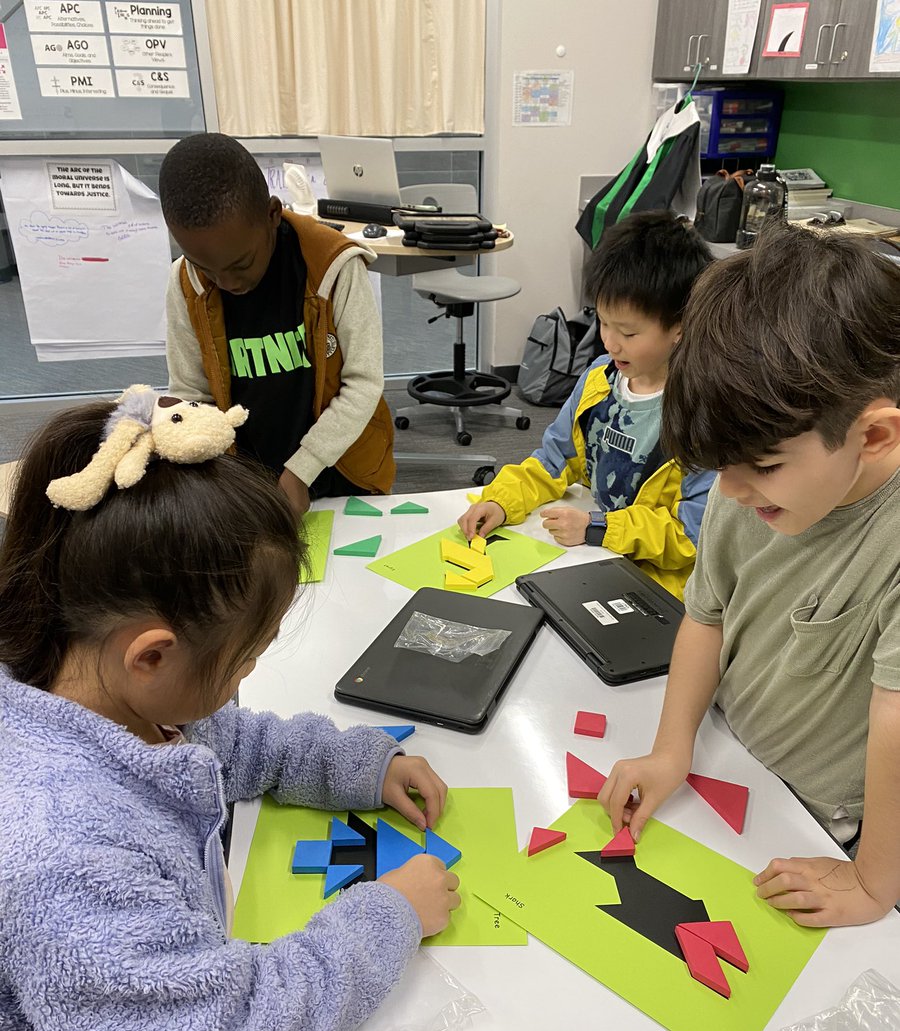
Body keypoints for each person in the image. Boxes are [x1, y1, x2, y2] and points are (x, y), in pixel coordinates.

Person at [0, 398, 459, 1031]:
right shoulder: (57, 847)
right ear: (151, 654)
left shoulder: (94, 679)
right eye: (243, 661)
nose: (243, 684)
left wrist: (353, 765)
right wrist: (385, 917)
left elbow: (220, 743)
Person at [598, 224, 900, 929]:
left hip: (828, 822)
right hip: (736, 764)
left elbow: (895, 724)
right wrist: (673, 749)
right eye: (719, 468)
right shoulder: (749, 480)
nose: (730, 493)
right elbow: (706, 615)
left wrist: (874, 883)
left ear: (875, 436)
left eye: (760, 468)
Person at [458, 210, 715, 599]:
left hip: (658, 586)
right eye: (604, 322)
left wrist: (600, 528)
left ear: (681, 325)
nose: (610, 342)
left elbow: (693, 532)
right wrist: (499, 501)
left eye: (628, 332)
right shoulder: (599, 379)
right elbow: (552, 461)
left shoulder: (703, 411)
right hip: (591, 557)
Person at [159, 132, 394, 520]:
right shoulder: (186, 283)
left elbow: (364, 382)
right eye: (206, 267)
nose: (227, 283)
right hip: (244, 480)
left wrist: (301, 470)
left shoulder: (334, 267)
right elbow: (190, 394)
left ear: (271, 214)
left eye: (240, 264)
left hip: (341, 469)